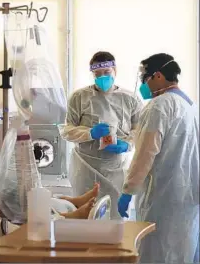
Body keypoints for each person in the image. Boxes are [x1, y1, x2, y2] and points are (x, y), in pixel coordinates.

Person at [117, 53, 199, 263]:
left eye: (145, 77)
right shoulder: (191, 105)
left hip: (164, 197)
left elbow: (145, 154)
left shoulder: (159, 105)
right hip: (188, 198)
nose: (143, 84)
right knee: (182, 252)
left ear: (159, 76)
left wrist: (128, 190)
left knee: (157, 252)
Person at [59, 51, 143, 219]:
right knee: (85, 215)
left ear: (115, 71)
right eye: (97, 74)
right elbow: (67, 130)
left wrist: (127, 144)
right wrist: (90, 132)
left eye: (107, 72)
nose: (102, 77)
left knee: (114, 216)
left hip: (116, 168)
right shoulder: (79, 97)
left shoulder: (130, 99)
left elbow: (140, 131)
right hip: (85, 166)